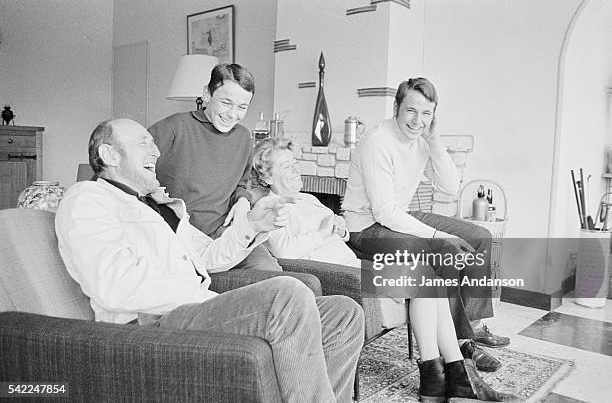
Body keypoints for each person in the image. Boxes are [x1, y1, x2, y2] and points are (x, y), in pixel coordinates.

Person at [55, 119, 364, 403]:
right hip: (152, 321)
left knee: (344, 313)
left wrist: (253, 226)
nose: (157, 150)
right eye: (144, 143)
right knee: (288, 292)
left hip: (198, 307)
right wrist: (202, 298)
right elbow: (113, 286)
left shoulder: (162, 206)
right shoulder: (88, 199)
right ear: (110, 155)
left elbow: (209, 257)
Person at [251, 138, 520, 403]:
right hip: (337, 275)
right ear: (266, 176)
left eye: (294, 162)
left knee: (431, 278)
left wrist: (340, 228)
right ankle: (452, 375)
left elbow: (341, 233)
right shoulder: (271, 208)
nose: (295, 168)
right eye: (286, 166)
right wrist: (323, 231)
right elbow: (285, 251)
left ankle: (439, 378)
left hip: (354, 264)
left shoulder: (308, 199)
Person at [342, 77, 510, 359]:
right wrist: (437, 236)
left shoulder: (421, 141)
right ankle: (461, 345)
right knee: (445, 249)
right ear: (396, 107)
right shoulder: (377, 142)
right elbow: (383, 211)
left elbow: (450, 186)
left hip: (397, 216)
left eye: (426, 113)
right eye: (411, 110)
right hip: (365, 228)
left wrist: (434, 143)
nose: (417, 120)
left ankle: (473, 325)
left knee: (480, 237)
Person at [148, 63, 281, 271]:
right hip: (186, 241)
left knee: (274, 275)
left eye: (242, 107)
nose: (233, 114)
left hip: (228, 233)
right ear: (207, 94)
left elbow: (241, 184)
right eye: (226, 103)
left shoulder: (244, 138)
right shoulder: (174, 128)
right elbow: (129, 171)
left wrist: (243, 201)